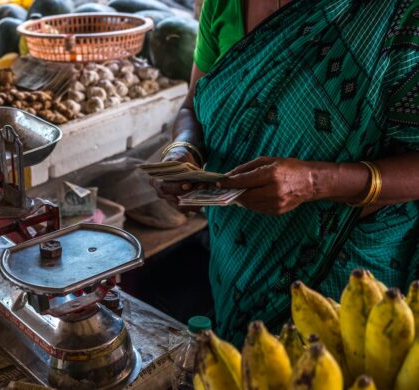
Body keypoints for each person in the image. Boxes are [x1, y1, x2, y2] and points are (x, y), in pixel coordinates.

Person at [153, 0, 419, 345]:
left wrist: (313, 182)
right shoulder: (223, 4)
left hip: (348, 277)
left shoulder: (395, 15)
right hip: (237, 262)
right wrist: (183, 150)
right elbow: (193, 104)